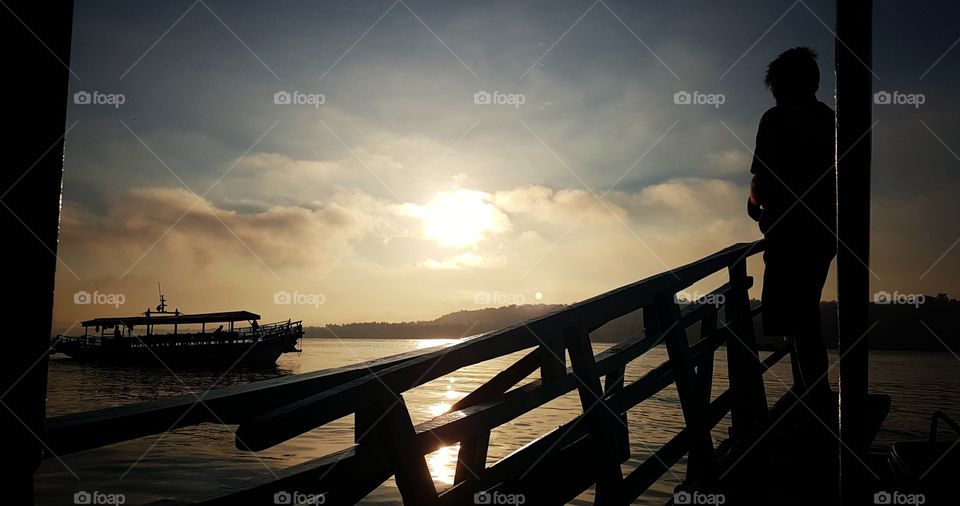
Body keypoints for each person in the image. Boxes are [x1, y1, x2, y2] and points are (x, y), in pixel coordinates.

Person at [748, 47, 836, 421]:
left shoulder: (776, 120)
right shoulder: (830, 119)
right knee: (802, 314)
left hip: (788, 233)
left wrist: (753, 204)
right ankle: (811, 393)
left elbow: (761, 179)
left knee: (795, 316)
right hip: (823, 232)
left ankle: (813, 396)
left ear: (781, 87)